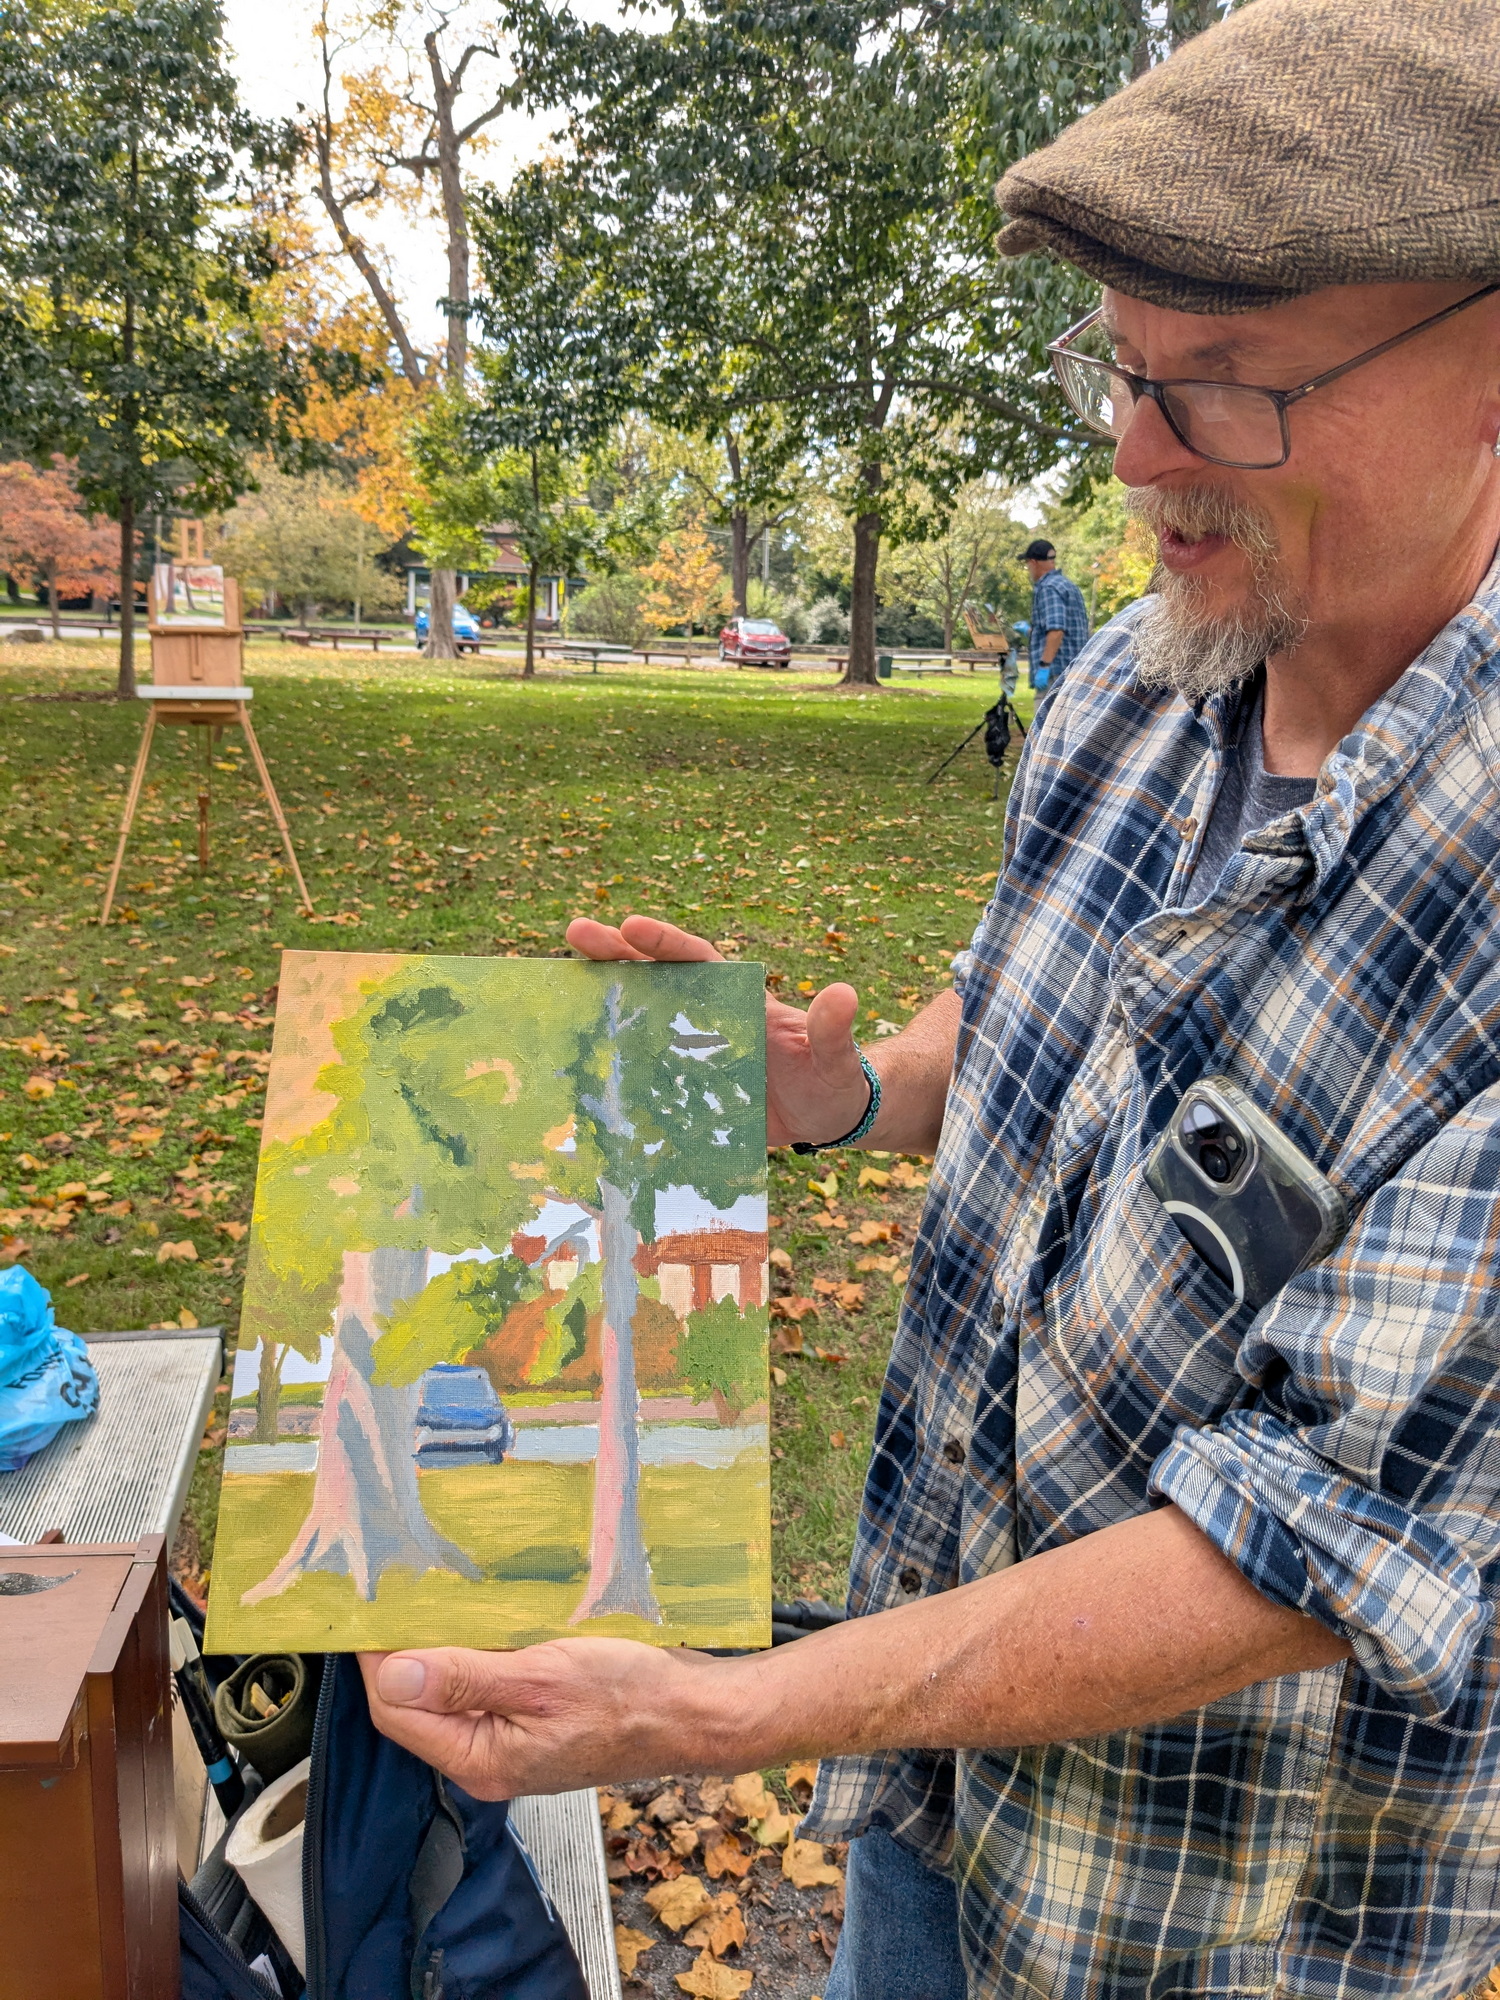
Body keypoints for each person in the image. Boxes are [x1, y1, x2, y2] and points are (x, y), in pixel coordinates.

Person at [359, 4, 1500, 1996]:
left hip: (1211, 1925)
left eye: (1229, 387)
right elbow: (1036, 1009)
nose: (1139, 457)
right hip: (932, 1809)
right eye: (1124, 372)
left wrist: (718, 1713)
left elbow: (1306, 1546)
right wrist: (845, 1088)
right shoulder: (1154, 674)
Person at [1018, 537, 1089, 694]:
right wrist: (1031, 632)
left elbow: (1056, 631)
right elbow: (1066, 627)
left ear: (1033, 562)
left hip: (1055, 674)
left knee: (1046, 719)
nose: (1028, 569)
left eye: (1027, 565)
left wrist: (1044, 667)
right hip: (1074, 670)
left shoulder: (1048, 588)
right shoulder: (1068, 585)